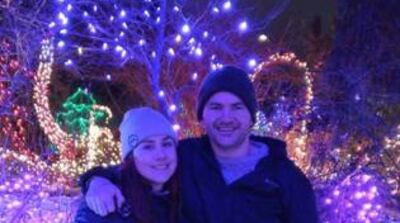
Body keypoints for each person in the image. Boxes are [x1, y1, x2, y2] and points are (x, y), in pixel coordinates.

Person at [79, 66, 319, 223]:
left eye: (237, 107)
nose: (226, 117)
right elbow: (135, 166)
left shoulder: (286, 177)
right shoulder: (187, 155)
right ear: (202, 116)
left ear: (251, 116)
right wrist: (96, 181)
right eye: (215, 107)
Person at [74, 107, 179, 223]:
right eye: (148, 147)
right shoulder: (105, 206)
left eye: (167, 144)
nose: (161, 155)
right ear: (130, 157)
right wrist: (96, 182)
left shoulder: (185, 191)